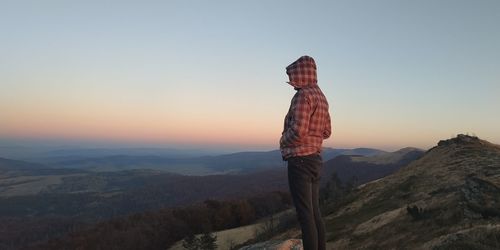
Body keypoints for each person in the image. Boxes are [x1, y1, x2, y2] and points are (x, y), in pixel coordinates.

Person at [280, 55, 331, 250]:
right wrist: (314, 137)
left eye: (293, 77)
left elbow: (299, 131)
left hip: (300, 161)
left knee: (305, 214)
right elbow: (327, 131)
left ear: (301, 74)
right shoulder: (321, 96)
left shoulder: (303, 96)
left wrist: (283, 139)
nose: (292, 83)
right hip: (316, 159)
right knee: (314, 212)